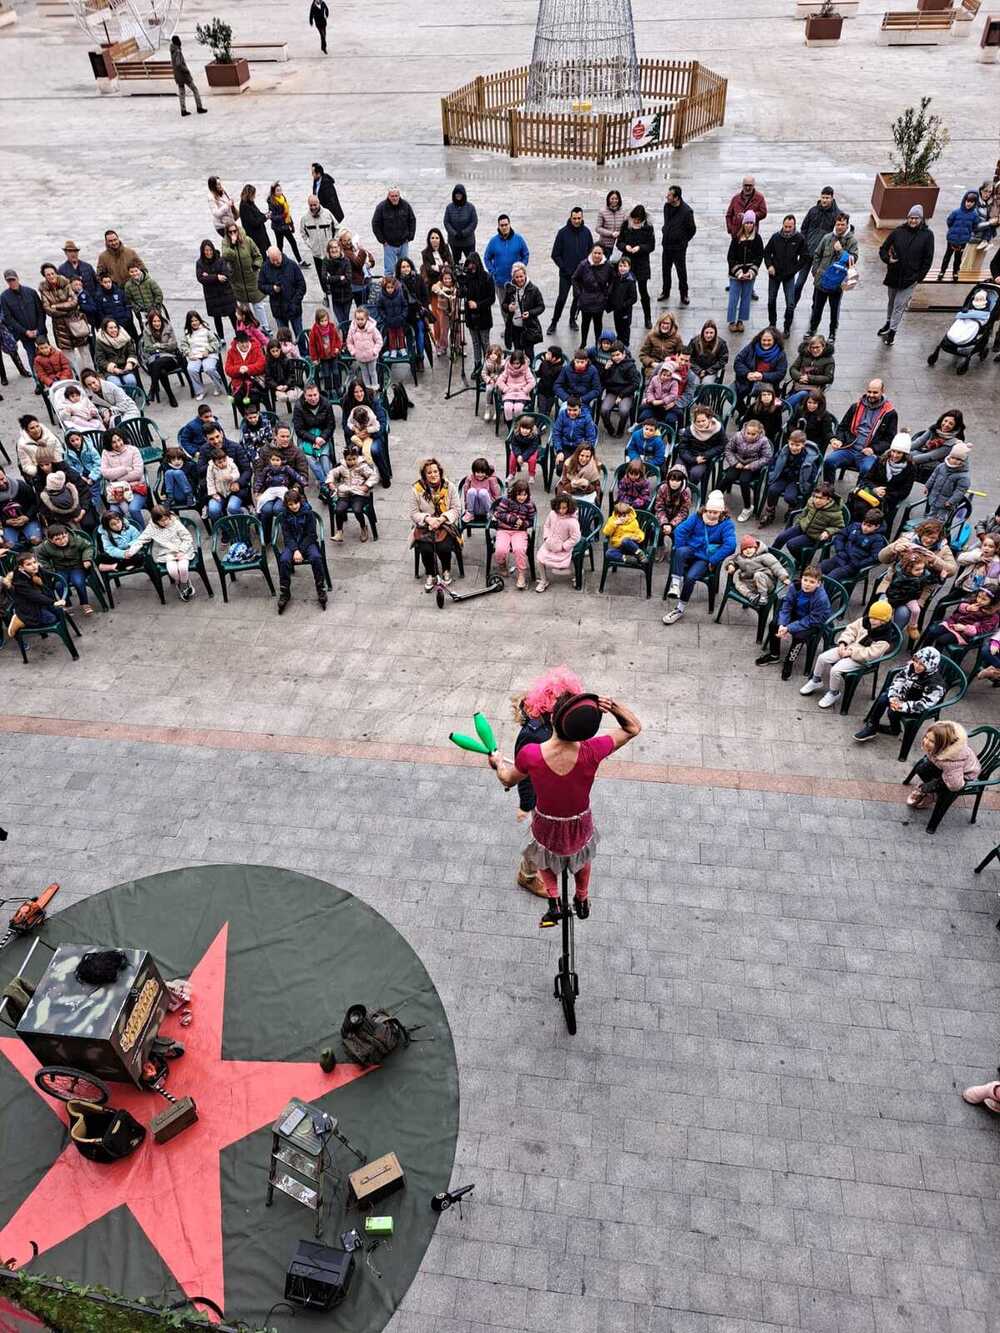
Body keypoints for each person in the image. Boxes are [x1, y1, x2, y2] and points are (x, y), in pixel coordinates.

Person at [488, 684, 642, 927]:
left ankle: (554, 899)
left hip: (546, 824)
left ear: (554, 720)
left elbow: (507, 779)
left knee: (542, 855)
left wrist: (498, 763)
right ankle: (581, 898)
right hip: (579, 823)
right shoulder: (593, 750)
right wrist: (611, 706)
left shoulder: (531, 754)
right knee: (583, 856)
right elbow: (633, 727)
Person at [800, 599, 895, 710]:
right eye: (872, 617)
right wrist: (842, 643)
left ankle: (834, 693)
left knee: (835, 670)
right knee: (822, 657)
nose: (873, 620)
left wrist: (850, 653)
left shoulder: (884, 639)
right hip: (848, 648)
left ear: (884, 621)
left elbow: (871, 654)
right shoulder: (864, 621)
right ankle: (816, 680)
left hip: (861, 660)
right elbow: (851, 630)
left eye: (877, 619)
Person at [662, 491, 737, 624]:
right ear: (705, 509)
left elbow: (731, 545)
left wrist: (713, 560)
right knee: (679, 552)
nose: (712, 515)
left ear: (721, 512)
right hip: (691, 548)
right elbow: (680, 530)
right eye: (709, 511)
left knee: (691, 577)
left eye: (715, 512)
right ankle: (675, 585)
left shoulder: (727, 524)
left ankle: (679, 609)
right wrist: (681, 547)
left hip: (705, 557)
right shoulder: (697, 516)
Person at [854, 646, 944, 742]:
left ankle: (894, 729)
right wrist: (894, 696)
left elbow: (924, 704)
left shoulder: (936, 685)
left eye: (921, 664)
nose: (916, 665)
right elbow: (900, 679)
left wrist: (901, 706)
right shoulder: (912, 666)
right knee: (884, 698)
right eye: (916, 661)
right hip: (905, 695)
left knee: (892, 711)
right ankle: (872, 726)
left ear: (930, 666)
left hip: (916, 707)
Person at [755, 565, 831, 679]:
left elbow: (812, 619)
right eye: (805, 580)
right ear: (802, 579)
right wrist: (782, 624)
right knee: (774, 624)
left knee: (800, 636)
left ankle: (789, 661)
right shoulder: (795, 587)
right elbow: (787, 606)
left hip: (813, 620)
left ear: (818, 583)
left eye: (812, 582)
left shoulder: (821, 598)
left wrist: (789, 628)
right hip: (797, 613)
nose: (807, 584)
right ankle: (774, 654)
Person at [878, 205, 934, 345]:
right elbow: (883, 248)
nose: (913, 220)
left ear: (921, 219)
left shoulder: (927, 235)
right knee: (891, 302)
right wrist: (887, 259)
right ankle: (888, 322)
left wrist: (918, 277)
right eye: (911, 217)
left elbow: (928, 259)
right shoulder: (898, 231)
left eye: (916, 218)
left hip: (910, 278)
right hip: (894, 274)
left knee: (899, 305)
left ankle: (892, 332)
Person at [822, 379, 898, 481]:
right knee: (829, 461)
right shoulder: (855, 407)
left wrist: (873, 449)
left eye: (875, 392)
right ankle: (827, 491)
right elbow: (842, 427)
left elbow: (889, 440)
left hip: (869, 453)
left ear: (883, 391)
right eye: (869, 391)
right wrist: (839, 439)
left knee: (867, 470)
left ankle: (857, 494)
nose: (871, 395)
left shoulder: (890, 413)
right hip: (849, 448)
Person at [906, 721, 982, 810]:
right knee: (921, 769)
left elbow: (955, 785)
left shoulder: (951, 761)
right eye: (926, 737)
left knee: (929, 786)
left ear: (943, 744)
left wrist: (929, 786)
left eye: (932, 741)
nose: (925, 742)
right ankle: (930, 791)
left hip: (962, 776)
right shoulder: (942, 746)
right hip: (945, 766)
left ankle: (932, 795)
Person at [807, 212, 858, 343]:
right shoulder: (827, 237)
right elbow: (817, 254)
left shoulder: (851, 241)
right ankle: (812, 329)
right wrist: (815, 269)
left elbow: (853, 259)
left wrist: (841, 251)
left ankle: (832, 333)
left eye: (843, 224)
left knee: (834, 310)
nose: (840, 227)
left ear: (847, 225)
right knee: (817, 307)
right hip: (822, 280)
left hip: (837, 283)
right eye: (838, 224)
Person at [411, 457, 461, 590]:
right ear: (424, 475)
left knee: (443, 547)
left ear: (440, 472)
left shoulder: (449, 487)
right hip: (425, 525)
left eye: (435, 472)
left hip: (445, 524)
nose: (433, 475)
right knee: (426, 548)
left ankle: (446, 569)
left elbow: (456, 509)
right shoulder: (417, 489)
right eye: (429, 473)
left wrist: (441, 519)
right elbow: (413, 512)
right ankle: (431, 573)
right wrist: (428, 519)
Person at [274, 487, 326, 612]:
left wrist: (300, 550)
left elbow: (312, 534)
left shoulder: (308, 513)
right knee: (284, 560)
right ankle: (285, 592)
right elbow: (286, 535)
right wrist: (295, 549)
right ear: (287, 505)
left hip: (308, 543)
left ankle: (321, 589)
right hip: (292, 544)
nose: (294, 506)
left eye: (296, 503)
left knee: (316, 557)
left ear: (300, 501)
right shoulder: (285, 515)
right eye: (290, 504)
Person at [771, 481, 845, 563]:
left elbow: (839, 527)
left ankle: (802, 561)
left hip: (814, 536)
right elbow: (805, 512)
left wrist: (828, 532)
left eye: (820, 498)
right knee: (781, 537)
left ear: (829, 499)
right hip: (803, 527)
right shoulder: (811, 501)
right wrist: (799, 522)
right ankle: (771, 557)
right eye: (815, 497)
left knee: (792, 545)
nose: (816, 500)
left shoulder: (835, 513)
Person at [547, 207, 592, 333]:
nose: (577, 221)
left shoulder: (586, 232)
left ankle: (572, 320)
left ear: (582, 218)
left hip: (581, 274)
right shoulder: (562, 233)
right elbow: (555, 254)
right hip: (566, 274)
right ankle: (554, 322)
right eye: (574, 218)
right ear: (570, 218)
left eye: (579, 218)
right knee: (562, 298)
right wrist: (564, 268)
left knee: (577, 298)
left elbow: (590, 252)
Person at [718, 418, 773, 522]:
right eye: (748, 433)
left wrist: (752, 465)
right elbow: (728, 449)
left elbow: (766, 457)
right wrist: (734, 462)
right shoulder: (738, 436)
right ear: (745, 430)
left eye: (753, 434)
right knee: (729, 477)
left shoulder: (763, 441)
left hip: (752, 466)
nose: (750, 436)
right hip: (737, 462)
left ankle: (748, 507)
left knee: (744, 481)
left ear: (759, 432)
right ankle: (715, 497)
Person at [39, 264, 89, 372]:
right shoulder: (44, 289)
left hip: (75, 321)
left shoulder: (66, 283)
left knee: (85, 354)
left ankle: (92, 377)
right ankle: (77, 380)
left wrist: (57, 306)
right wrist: (66, 309)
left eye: (52, 273)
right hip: (60, 326)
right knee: (70, 358)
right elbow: (48, 310)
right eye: (48, 275)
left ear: (56, 273)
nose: (51, 276)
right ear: (45, 276)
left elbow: (74, 303)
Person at [794, 185, 839, 306]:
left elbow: (841, 233)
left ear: (832, 198)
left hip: (822, 258)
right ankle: (792, 306)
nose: (824, 200)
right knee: (798, 283)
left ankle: (815, 309)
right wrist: (804, 243)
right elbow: (804, 228)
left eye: (827, 198)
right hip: (807, 253)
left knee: (818, 286)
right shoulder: (813, 211)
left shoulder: (837, 215)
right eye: (823, 197)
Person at [763, 215, 807, 336]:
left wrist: (794, 270)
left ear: (794, 226)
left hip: (789, 276)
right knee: (771, 300)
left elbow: (804, 257)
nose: (787, 229)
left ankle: (787, 327)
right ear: (782, 225)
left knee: (790, 304)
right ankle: (772, 324)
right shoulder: (775, 237)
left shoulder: (799, 238)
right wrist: (769, 266)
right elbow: (766, 252)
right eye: (785, 226)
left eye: (790, 227)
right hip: (774, 275)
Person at [222, 222, 270, 332]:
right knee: (244, 308)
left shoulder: (247, 240)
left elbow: (258, 256)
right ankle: (250, 329)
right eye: (230, 232)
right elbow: (226, 255)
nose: (233, 233)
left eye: (235, 231)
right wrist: (233, 244)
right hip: (238, 281)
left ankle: (265, 327)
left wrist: (255, 266)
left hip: (252, 279)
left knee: (258, 305)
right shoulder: (226, 244)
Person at [36, 523, 94, 614]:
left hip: (77, 567)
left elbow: (88, 547)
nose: (62, 541)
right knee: (59, 585)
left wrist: (86, 559)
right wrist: (50, 570)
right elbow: (40, 557)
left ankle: (85, 603)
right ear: (51, 540)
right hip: (61, 569)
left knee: (78, 582)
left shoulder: (76, 539)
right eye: (57, 539)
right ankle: (67, 604)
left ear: (67, 534)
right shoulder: (46, 546)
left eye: (64, 537)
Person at [819, 508, 887, 585]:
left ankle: (823, 595)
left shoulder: (878, 539)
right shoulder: (855, 526)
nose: (864, 527)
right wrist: (840, 550)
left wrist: (859, 564)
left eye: (869, 526)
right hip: (840, 557)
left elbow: (875, 557)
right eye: (864, 524)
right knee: (816, 570)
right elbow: (840, 536)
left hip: (852, 566)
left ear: (877, 526)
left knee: (831, 577)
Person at [492, 475, 536, 591]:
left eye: (524, 494)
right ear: (515, 493)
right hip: (504, 529)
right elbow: (498, 514)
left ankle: (521, 573)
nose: (522, 497)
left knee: (519, 549)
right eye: (519, 494)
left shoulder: (529, 505)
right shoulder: (507, 500)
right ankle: (502, 564)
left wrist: (523, 524)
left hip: (519, 532)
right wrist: (512, 518)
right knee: (500, 549)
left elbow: (531, 520)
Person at [326, 442, 376, 542]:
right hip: (345, 494)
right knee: (338, 510)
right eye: (349, 459)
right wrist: (330, 482)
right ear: (345, 459)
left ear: (357, 457)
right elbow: (332, 473)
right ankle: (339, 532)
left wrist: (366, 485)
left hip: (359, 494)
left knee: (357, 510)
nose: (352, 461)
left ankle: (363, 527)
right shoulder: (342, 467)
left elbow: (374, 476)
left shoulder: (362, 466)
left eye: (354, 459)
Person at [2, 550, 66, 628]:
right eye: (29, 564)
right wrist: (53, 602)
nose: (34, 566)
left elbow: (47, 586)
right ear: (21, 567)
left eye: (34, 562)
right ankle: (19, 620)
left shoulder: (37, 569)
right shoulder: (19, 581)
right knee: (52, 619)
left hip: (40, 601)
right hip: (28, 606)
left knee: (61, 614)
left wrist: (40, 583)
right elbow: (33, 595)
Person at [923, 589, 1000, 654]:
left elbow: (983, 630)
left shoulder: (992, 616)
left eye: (984, 599)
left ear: (992, 602)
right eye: (979, 597)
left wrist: (964, 628)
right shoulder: (973, 601)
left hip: (964, 634)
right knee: (933, 632)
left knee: (941, 640)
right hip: (952, 623)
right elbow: (960, 607)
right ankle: (923, 652)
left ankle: (935, 661)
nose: (979, 600)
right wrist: (967, 608)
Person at [616, 206, 655, 330]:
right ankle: (625, 315)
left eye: (639, 220)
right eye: (635, 219)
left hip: (641, 263)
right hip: (627, 262)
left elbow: (651, 245)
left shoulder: (648, 228)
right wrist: (625, 247)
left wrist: (640, 248)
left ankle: (647, 318)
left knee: (643, 291)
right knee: (626, 291)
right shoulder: (626, 225)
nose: (636, 222)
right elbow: (619, 242)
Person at [259, 246, 307, 345]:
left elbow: (301, 286)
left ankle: (304, 355)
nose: (276, 262)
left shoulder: (292, 265)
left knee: (300, 335)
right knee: (283, 339)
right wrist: (272, 288)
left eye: (277, 259)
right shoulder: (265, 268)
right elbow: (260, 285)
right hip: (278, 310)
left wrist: (295, 303)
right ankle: (287, 357)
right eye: (273, 260)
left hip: (294, 308)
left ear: (281, 254)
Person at [658, 185, 696, 306]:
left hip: (679, 247)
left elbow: (692, 229)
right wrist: (665, 230)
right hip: (667, 245)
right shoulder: (666, 206)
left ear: (676, 198)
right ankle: (665, 291)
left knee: (681, 271)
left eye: (669, 195)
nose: (667, 196)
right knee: (665, 270)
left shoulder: (687, 211)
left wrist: (683, 240)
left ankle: (684, 294)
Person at [674, 405, 726, 494]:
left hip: (704, 458)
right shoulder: (690, 430)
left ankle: (687, 492)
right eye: (698, 421)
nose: (701, 423)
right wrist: (693, 459)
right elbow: (682, 447)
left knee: (695, 473)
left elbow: (722, 445)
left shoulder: (718, 429)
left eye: (703, 421)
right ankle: (676, 491)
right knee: (677, 471)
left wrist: (706, 455)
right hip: (688, 456)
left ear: (709, 419)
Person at [293, 382, 337, 484]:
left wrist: (322, 438)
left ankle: (326, 483)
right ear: (305, 396)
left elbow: (331, 425)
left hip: (323, 436)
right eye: (309, 395)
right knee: (310, 459)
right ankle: (325, 483)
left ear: (318, 394)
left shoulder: (326, 403)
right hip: (306, 437)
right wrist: (314, 439)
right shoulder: (299, 407)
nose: (313, 398)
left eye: (315, 395)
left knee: (324, 458)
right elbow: (299, 430)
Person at [535, 494, 581, 593]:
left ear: (569, 507)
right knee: (539, 559)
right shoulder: (552, 514)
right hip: (549, 544)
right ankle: (543, 580)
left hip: (563, 548)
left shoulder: (572, 522)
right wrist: (546, 537)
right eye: (559, 508)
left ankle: (578, 574)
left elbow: (575, 537)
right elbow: (546, 525)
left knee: (567, 564)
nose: (561, 510)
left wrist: (564, 547)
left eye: (564, 508)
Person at [571, 245, 615, 348]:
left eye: (599, 253)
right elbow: (574, 278)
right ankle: (583, 343)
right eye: (595, 253)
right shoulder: (583, 264)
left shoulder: (608, 266)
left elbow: (613, 280)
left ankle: (597, 343)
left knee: (598, 323)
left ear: (602, 254)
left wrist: (608, 293)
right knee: (585, 323)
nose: (597, 255)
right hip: (586, 299)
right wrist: (578, 293)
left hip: (599, 300)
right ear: (591, 253)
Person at [726, 214, 763, 333]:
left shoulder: (757, 239)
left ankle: (741, 320)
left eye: (751, 223)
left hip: (750, 274)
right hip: (736, 274)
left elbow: (759, 257)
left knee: (746, 298)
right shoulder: (736, 238)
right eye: (747, 223)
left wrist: (751, 271)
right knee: (733, 297)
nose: (749, 225)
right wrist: (739, 272)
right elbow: (730, 257)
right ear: (743, 224)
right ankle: (731, 321)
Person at [456, 251, 493, 369]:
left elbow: (491, 298)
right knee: (475, 343)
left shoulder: (487, 277)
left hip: (483, 316)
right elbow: (461, 295)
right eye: (469, 264)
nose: (471, 267)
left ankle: (488, 367)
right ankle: (477, 365)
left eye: (473, 264)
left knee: (485, 343)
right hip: (471, 317)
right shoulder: (467, 278)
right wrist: (460, 283)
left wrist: (478, 305)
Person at [139, 309, 182, 408]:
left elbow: (173, 345)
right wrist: (163, 346)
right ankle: (171, 396)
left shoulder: (168, 328)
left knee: (158, 364)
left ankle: (152, 389)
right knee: (161, 371)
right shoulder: (147, 331)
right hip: (154, 359)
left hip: (170, 358)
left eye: (158, 321)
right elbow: (147, 348)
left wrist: (158, 346)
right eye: (154, 321)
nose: (157, 323)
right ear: (150, 322)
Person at [195, 238, 237, 339]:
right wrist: (216, 277)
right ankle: (221, 337)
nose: (208, 252)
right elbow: (200, 278)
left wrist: (208, 276)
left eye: (210, 250)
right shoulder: (200, 263)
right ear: (203, 251)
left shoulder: (220, 260)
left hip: (225, 293)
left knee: (233, 315)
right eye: (206, 250)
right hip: (212, 295)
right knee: (216, 317)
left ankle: (238, 334)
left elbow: (226, 275)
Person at [1, 269, 45, 365]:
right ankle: (37, 379)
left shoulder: (31, 292)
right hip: (24, 335)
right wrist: (25, 332)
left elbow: (41, 311)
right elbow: (9, 318)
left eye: (13, 279)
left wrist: (39, 329)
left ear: (17, 278)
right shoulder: (4, 297)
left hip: (40, 332)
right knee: (32, 357)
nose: (12, 282)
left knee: (47, 355)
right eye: (9, 281)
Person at [484, 215, 530, 305]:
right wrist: (493, 271)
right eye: (502, 225)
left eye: (506, 224)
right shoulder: (493, 241)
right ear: (498, 226)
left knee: (519, 307)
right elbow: (487, 258)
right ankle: (507, 320)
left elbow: (526, 254)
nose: (504, 227)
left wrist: (521, 268)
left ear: (509, 224)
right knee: (505, 308)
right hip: (500, 282)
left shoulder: (519, 239)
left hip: (517, 282)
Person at [733, 327, 787, 403]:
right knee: (730, 395)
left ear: (774, 340)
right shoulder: (751, 347)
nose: (766, 343)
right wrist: (747, 373)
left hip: (767, 384)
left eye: (769, 340)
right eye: (764, 340)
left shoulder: (781, 354)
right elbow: (738, 362)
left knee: (764, 404)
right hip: (747, 381)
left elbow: (780, 373)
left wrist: (762, 376)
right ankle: (744, 412)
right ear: (760, 339)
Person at [371, 186, 417, 277]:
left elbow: (412, 220)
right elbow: (375, 224)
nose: (394, 198)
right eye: (392, 196)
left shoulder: (406, 205)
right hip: (389, 244)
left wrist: (410, 236)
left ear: (399, 196)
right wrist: (382, 240)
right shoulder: (381, 207)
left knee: (404, 268)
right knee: (389, 270)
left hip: (403, 242)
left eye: (396, 196)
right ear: (388, 196)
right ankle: (389, 288)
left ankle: (404, 287)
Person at [910, 409, 966, 482]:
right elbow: (919, 442)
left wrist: (907, 460)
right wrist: (901, 450)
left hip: (938, 463)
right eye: (945, 421)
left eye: (951, 424)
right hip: (925, 453)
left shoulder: (953, 442)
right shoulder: (934, 428)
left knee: (910, 461)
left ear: (955, 427)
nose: (946, 425)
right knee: (907, 454)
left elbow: (931, 456)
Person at [501, 263, 544, 355]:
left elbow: (541, 307)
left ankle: (530, 369)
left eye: (521, 276)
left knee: (529, 354)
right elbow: (504, 305)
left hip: (528, 328)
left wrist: (530, 313)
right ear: (513, 277)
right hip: (515, 328)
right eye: (516, 277)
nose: (519, 279)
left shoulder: (533, 289)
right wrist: (508, 307)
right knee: (518, 354)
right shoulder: (510, 289)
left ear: (525, 275)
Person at [652, 465, 691, 565]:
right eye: (672, 479)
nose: (674, 483)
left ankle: (675, 550)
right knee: (655, 529)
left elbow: (683, 512)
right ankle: (660, 546)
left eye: (678, 480)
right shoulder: (663, 488)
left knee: (678, 532)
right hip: (664, 516)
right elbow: (659, 507)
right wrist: (664, 523)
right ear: (668, 479)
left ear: (682, 481)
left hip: (678, 519)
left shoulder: (686, 492)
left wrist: (672, 524)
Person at [938, 189, 980, 281]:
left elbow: (975, 226)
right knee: (947, 256)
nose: (969, 204)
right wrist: (953, 231)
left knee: (958, 258)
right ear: (964, 200)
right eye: (967, 201)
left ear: (975, 203)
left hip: (963, 241)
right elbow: (949, 221)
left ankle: (955, 272)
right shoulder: (956, 212)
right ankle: (942, 271)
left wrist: (968, 234)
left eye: (971, 202)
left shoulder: (974, 215)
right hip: (952, 239)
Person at [181, 311, 225, 398]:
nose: (194, 323)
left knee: (209, 368)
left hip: (208, 355)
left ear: (199, 320)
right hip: (195, 356)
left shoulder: (206, 330)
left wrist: (208, 350)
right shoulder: (187, 333)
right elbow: (183, 345)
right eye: (192, 321)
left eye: (196, 320)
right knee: (191, 369)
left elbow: (215, 343)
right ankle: (200, 391)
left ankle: (218, 386)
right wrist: (188, 353)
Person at [599, 341, 638, 437]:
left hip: (626, 393)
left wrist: (622, 395)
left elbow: (635, 384)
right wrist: (605, 370)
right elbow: (603, 380)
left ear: (623, 353)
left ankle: (620, 430)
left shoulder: (630, 366)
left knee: (624, 411)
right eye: (613, 355)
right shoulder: (610, 364)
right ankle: (610, 428)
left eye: (618, 355)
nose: (616, 357)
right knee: (604, 410)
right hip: (612, 391)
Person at [923, 444, 971, 524]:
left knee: (941, 519)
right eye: (952, 457)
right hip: (935, 497)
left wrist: (951, 501)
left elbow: (960, 491)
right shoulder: (941, 466)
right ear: (949, 457)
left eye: (958, 459)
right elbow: (933, 477)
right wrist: (927, 486)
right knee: (931, 514)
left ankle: (937, 532)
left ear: (964, 461)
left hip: (946, 503)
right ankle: (927, 528)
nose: (954, 460)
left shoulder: (963, 476)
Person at [0, 465, 43, 549]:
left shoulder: (21, 486)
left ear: (5, 474)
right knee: (9, 547)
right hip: (9, 525)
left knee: (36, 540)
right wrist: (6, 521)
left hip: (28, 520)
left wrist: (27, 517)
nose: (1, 483)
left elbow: (35, 503)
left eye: (2, 479)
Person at [224, 328, 266, 409]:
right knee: (237, 399)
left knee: (253, 398)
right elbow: (228, 369)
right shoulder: (231, 351)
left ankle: (254, 416)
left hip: (255, 382)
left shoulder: (256, 348)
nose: (244, 345)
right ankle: (246, 417)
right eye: (241, 343)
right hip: (238, 383)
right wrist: (239, 369)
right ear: (237, 342)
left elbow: (262, 364)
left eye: (246, 342)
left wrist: (248, 368)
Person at [94, 318, 139, 391]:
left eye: (115, 327)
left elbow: (132, 352)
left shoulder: (125, 337)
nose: (114, 330)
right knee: (117, 385)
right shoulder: (100, 341)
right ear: (105, 329)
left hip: (125, 367)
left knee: (131, 381)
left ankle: (130, 398)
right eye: (110, 328)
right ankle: (122, 400)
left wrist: (130, 363)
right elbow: (100, 360)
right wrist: (113, 368)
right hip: (110, 370)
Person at [300, 197, 336, 287]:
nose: (313, 207)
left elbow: (337, 227)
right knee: (321, 275)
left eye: (315, 205)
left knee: (333, 273)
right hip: (316, 253)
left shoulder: (327, 214)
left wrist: (334, 242)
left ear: (319, 203)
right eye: (311, 205)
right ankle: (325, 293)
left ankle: (334, 291)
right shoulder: (305, 218)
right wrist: (310, 244)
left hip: (330, 252)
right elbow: (303, 233)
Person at [268, 182, 307, 264]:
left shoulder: (282, 198)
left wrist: (291, 224)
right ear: (273, 192)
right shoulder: (272, 202)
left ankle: (299, 261)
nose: (280, 192)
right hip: (278, 228)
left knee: (291, 242)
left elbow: (287, 213)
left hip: (285, 225)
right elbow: (272, 217)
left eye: (280, 190)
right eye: (278, 190)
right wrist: (282, 216)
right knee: (281, 244)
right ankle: (280, 261)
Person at [554, 348, 601, 416]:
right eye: (577, 362)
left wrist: (583, 399)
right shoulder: (566, 368)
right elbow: (557, 385)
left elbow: (597, 389)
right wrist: (566, 398)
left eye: (582, 362)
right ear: (574, 360)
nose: (579, 364)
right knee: (563, 414)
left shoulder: (593, 370)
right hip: (568, 399)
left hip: (584, 401)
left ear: (587, 361)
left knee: (584, 417)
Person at [345, 307, 383, 389]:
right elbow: (349, 342)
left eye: (362, 319)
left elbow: (379, 340)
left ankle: (374, 387)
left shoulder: (372, 329)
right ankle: (367, 388)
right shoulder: (353, 330)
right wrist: (353, 351)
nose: (360, 321)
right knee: (364, 373)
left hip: (371, 355)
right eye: (358, 319)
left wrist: (375, 351)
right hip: (360, 356)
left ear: (366, 318)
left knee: (372, 372)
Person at [638, 312, 683, 380]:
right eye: (663, 323)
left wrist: (673, 361)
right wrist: (652, 363)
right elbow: (643, 355)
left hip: (669, 366)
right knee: (652, 381)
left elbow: (680, 355)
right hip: (653, 366)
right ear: (659, 324)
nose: (665, 326)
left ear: (671, 325)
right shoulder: (651, 336)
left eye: (667, 323)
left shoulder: (677, 338)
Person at [552, 399, 598, 466]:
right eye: (569, 410)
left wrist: (585, 452)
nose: (572, 413)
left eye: (575, 410)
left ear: (580, 408)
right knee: (560, 467)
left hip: (580, 448)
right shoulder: (562, 415)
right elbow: (556, 433)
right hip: (565, 446)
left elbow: (591, 438)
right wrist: (559, 451)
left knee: (576, 467)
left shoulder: (587, 418)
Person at [787, 333, 834, 398]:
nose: (814, 350)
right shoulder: (803, 354)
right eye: (812, 347)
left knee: (802, 394)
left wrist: (809, 378)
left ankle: (785, 405)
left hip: (816, 388)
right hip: (800, 384)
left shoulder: (829, 360)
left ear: (823, 346)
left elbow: (829, 378)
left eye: (817, 347)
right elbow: (793, 368)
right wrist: (800, 377)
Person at [169, 34, 206, 115]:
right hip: (184, 75)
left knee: (181, 92)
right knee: (195, 89)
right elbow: (179, 64)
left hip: (177, 75)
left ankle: (183, 110)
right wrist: (186, 70)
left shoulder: (172, 51)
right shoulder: (178, 52)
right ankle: (199, 107)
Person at [495, 351, 535, 426]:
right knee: (507, 407)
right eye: (513, 363)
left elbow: (532, 381)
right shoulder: (507, 367)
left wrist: (525, 390)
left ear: (521, 362)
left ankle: (518, 426)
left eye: (517, 363)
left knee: (518, 408)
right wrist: (505, 389)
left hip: (521, 393)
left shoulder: (526, 369)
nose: (515, 365)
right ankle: (510, 428)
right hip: (509, 392)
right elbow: (500, 380)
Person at [606, 255, 638, 345]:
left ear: (629, 267)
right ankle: (620, 343)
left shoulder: (630, 281)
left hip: (625, 311)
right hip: (617, 310)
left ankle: (625, 345)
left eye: (625, 266)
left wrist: (623, 305)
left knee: (625, 330)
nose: (622, 268)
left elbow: (634, 298)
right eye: (620, 266)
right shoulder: (617, 278)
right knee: (618, 328)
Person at [322, 239, 354, 330]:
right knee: (341, 321)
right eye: (331, 247)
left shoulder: (346, 260)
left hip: (347, 296)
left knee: (345, 319)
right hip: (335, 297)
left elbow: (348, 279)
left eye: (336, 247)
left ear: (340, 248)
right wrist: (340, 277)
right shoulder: (326, 261)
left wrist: (331, 278)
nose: (334, 249)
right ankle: (344, 337)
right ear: (328, 250)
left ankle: (346, 338)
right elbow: (324, 279)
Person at [444, 184, 478, 264]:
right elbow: (446, 222)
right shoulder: (449, 207)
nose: (458, 196)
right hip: (454, 241)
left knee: (472, 262)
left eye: (460, 194)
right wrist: (454, 233)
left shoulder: (470, 207)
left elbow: (474, 222)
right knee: (455, 262)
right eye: (456, 194)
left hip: (468, 241)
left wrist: (464, 233)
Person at [686, 319, 728, 384]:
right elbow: (689, 358)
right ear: (703, 332)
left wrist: (708, 371)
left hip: (711, 371)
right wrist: (699, 371)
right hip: (695, 369)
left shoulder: (721, 343)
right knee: (694, 383)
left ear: (715, 333)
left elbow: (723, 360)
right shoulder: (694, 341)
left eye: (711, 333)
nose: (708, 335)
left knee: (706, 384)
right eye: (706, 333)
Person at [461, 457, 501, 524]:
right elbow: (466, 494)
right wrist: (466, 507)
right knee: (471, 491)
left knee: (483, 492)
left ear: (486, 472)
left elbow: (497, 496)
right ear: (474, 472)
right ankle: (470, 514)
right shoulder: (470, 478)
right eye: (477, 472)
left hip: (487, 508)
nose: (480, 475)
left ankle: (490, 514)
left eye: (482, 472)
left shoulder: (490, 479)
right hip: (474, 508)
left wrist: (497, 510)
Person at [239, 184, 272, 260]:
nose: (254, 196)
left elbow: (258, 214)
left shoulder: (250, 203)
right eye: (253, 195)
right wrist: (265, 217)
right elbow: (254, 222)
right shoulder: (244, 206)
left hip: (260, 234)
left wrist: (265, 215)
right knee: (261, 256)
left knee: (266, 252)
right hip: (255, 236)